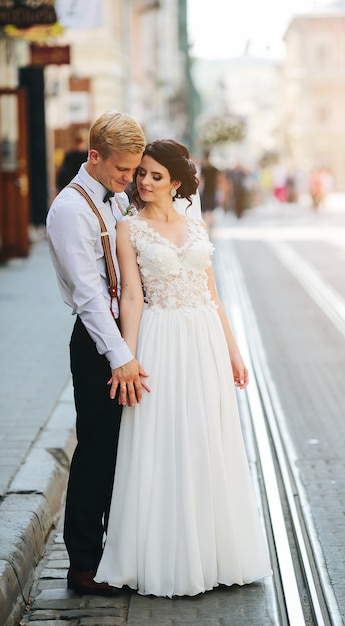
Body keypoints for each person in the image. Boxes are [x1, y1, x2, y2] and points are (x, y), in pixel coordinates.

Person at [94, 139, 272, 597]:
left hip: (204, 340)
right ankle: (161, 556)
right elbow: (132, 296)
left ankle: (213, 552)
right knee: (161, 440)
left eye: (155, 175)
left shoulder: (195, 224)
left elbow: (211, 293)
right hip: (160, 338)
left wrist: (233, 350)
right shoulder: (128, 230)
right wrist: (128, 360)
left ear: (176, 182)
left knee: (204, 438)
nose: (145, 182)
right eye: (141, 174)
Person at [47, 111, 151, 596]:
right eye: (122, 171)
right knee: (97, 451)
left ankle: (113, 551)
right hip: (96, 343)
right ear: (94, 156)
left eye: (133, 171)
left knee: (121, 450)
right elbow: (89, 295)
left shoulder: (109, 200)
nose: (129, 180)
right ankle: (83, 565)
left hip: (119, 338)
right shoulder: (71, 210)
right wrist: (119, 356)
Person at [199, 150, 219, 236]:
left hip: (205, 192)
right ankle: (211, 231)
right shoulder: (214, 169)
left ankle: (205, 230)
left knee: (204, 212)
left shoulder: (203, 168)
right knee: (210, 212)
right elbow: (218, 180)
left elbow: (200, 180)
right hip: (212, 191)